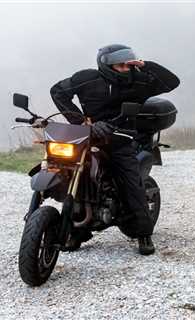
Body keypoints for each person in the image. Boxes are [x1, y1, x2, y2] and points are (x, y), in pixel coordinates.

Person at [50, 44, 180, 255]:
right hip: (89, 135)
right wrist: (80, 120)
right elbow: (58, 91)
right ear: (107, 65)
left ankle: (143, 233)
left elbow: (172, 82)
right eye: (121, 65)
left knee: (131, 183)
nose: (126, 69)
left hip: (121, 136)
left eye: (128, 64)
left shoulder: (139, 80)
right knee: (77, 175)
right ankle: (76, 231)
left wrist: (146, 65)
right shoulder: (87, 78)